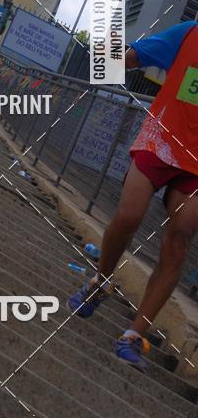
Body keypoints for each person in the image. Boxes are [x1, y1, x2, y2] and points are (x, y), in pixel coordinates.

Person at [69, 20, 198, 371]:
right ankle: (100, 281)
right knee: (128, 215)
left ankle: (133, 335)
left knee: (179, 240)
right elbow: (125, 60)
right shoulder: (187, 34)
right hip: (160, 143)